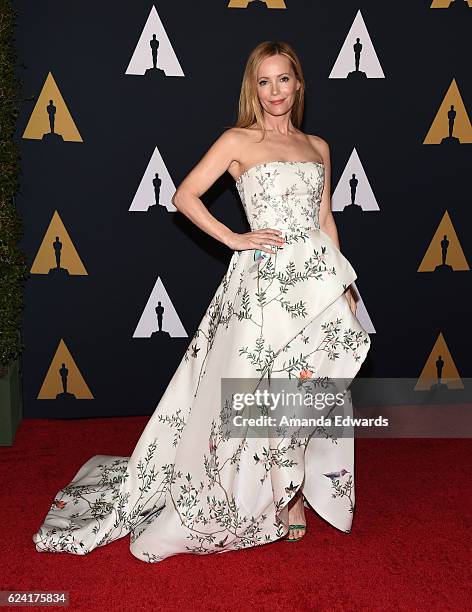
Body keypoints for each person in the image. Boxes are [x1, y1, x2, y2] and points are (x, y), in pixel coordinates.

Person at [32, 40, 371, 563]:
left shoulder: (318, 146)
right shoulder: (237, 139)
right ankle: (259, 494)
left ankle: (295, 494)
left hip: (316, 288)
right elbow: (184, 195)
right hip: (263, 290)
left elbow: (326, 220)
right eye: (264, 81)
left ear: (299, 84)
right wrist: (236, 238)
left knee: (307, 395)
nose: (275, 91)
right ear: (252, 88)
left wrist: (342, 283)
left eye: (284, 79)